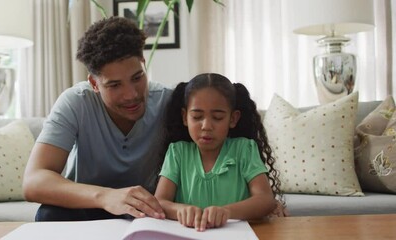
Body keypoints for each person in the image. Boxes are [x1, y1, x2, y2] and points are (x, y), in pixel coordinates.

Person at [22, 16, 171, 221]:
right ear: (94, 83)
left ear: (144, 65)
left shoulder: (168, 101)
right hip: (87, 207)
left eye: (137, 78)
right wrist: (107, 196)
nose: (132, 94)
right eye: (115, 85)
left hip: (146, 211)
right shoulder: (75, 102)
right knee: (49, 214)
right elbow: (33, 181)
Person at [154, 73, 284, 231]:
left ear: (233, 119)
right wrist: (180, 210)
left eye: (217, 117)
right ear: (184, 117)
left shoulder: (244, 149)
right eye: (197, 117)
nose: (206, 126)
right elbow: (160, 201)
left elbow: (265, 199)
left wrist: (227, 212)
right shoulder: (177, 152)